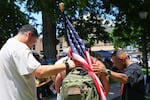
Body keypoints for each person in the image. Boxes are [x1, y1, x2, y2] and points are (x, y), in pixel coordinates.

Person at [0, 24, 76, 100]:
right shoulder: (20, 48)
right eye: (33, 43)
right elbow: (40, 72)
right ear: (28, 35)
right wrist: (67, 64)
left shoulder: (7, 47)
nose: (31, 47)